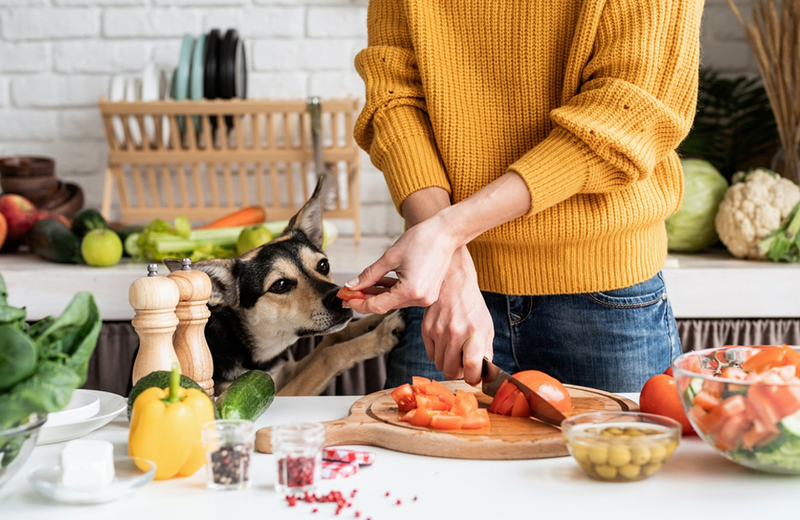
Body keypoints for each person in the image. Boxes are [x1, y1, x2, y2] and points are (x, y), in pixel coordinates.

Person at [345, 0, 702, 393]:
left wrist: (446, 236)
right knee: (418, 453)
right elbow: (393, 97)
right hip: (445, 291)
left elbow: (627, 113)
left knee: (615, 455)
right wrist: (450, 266)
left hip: (603, 297)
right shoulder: (447, 269)